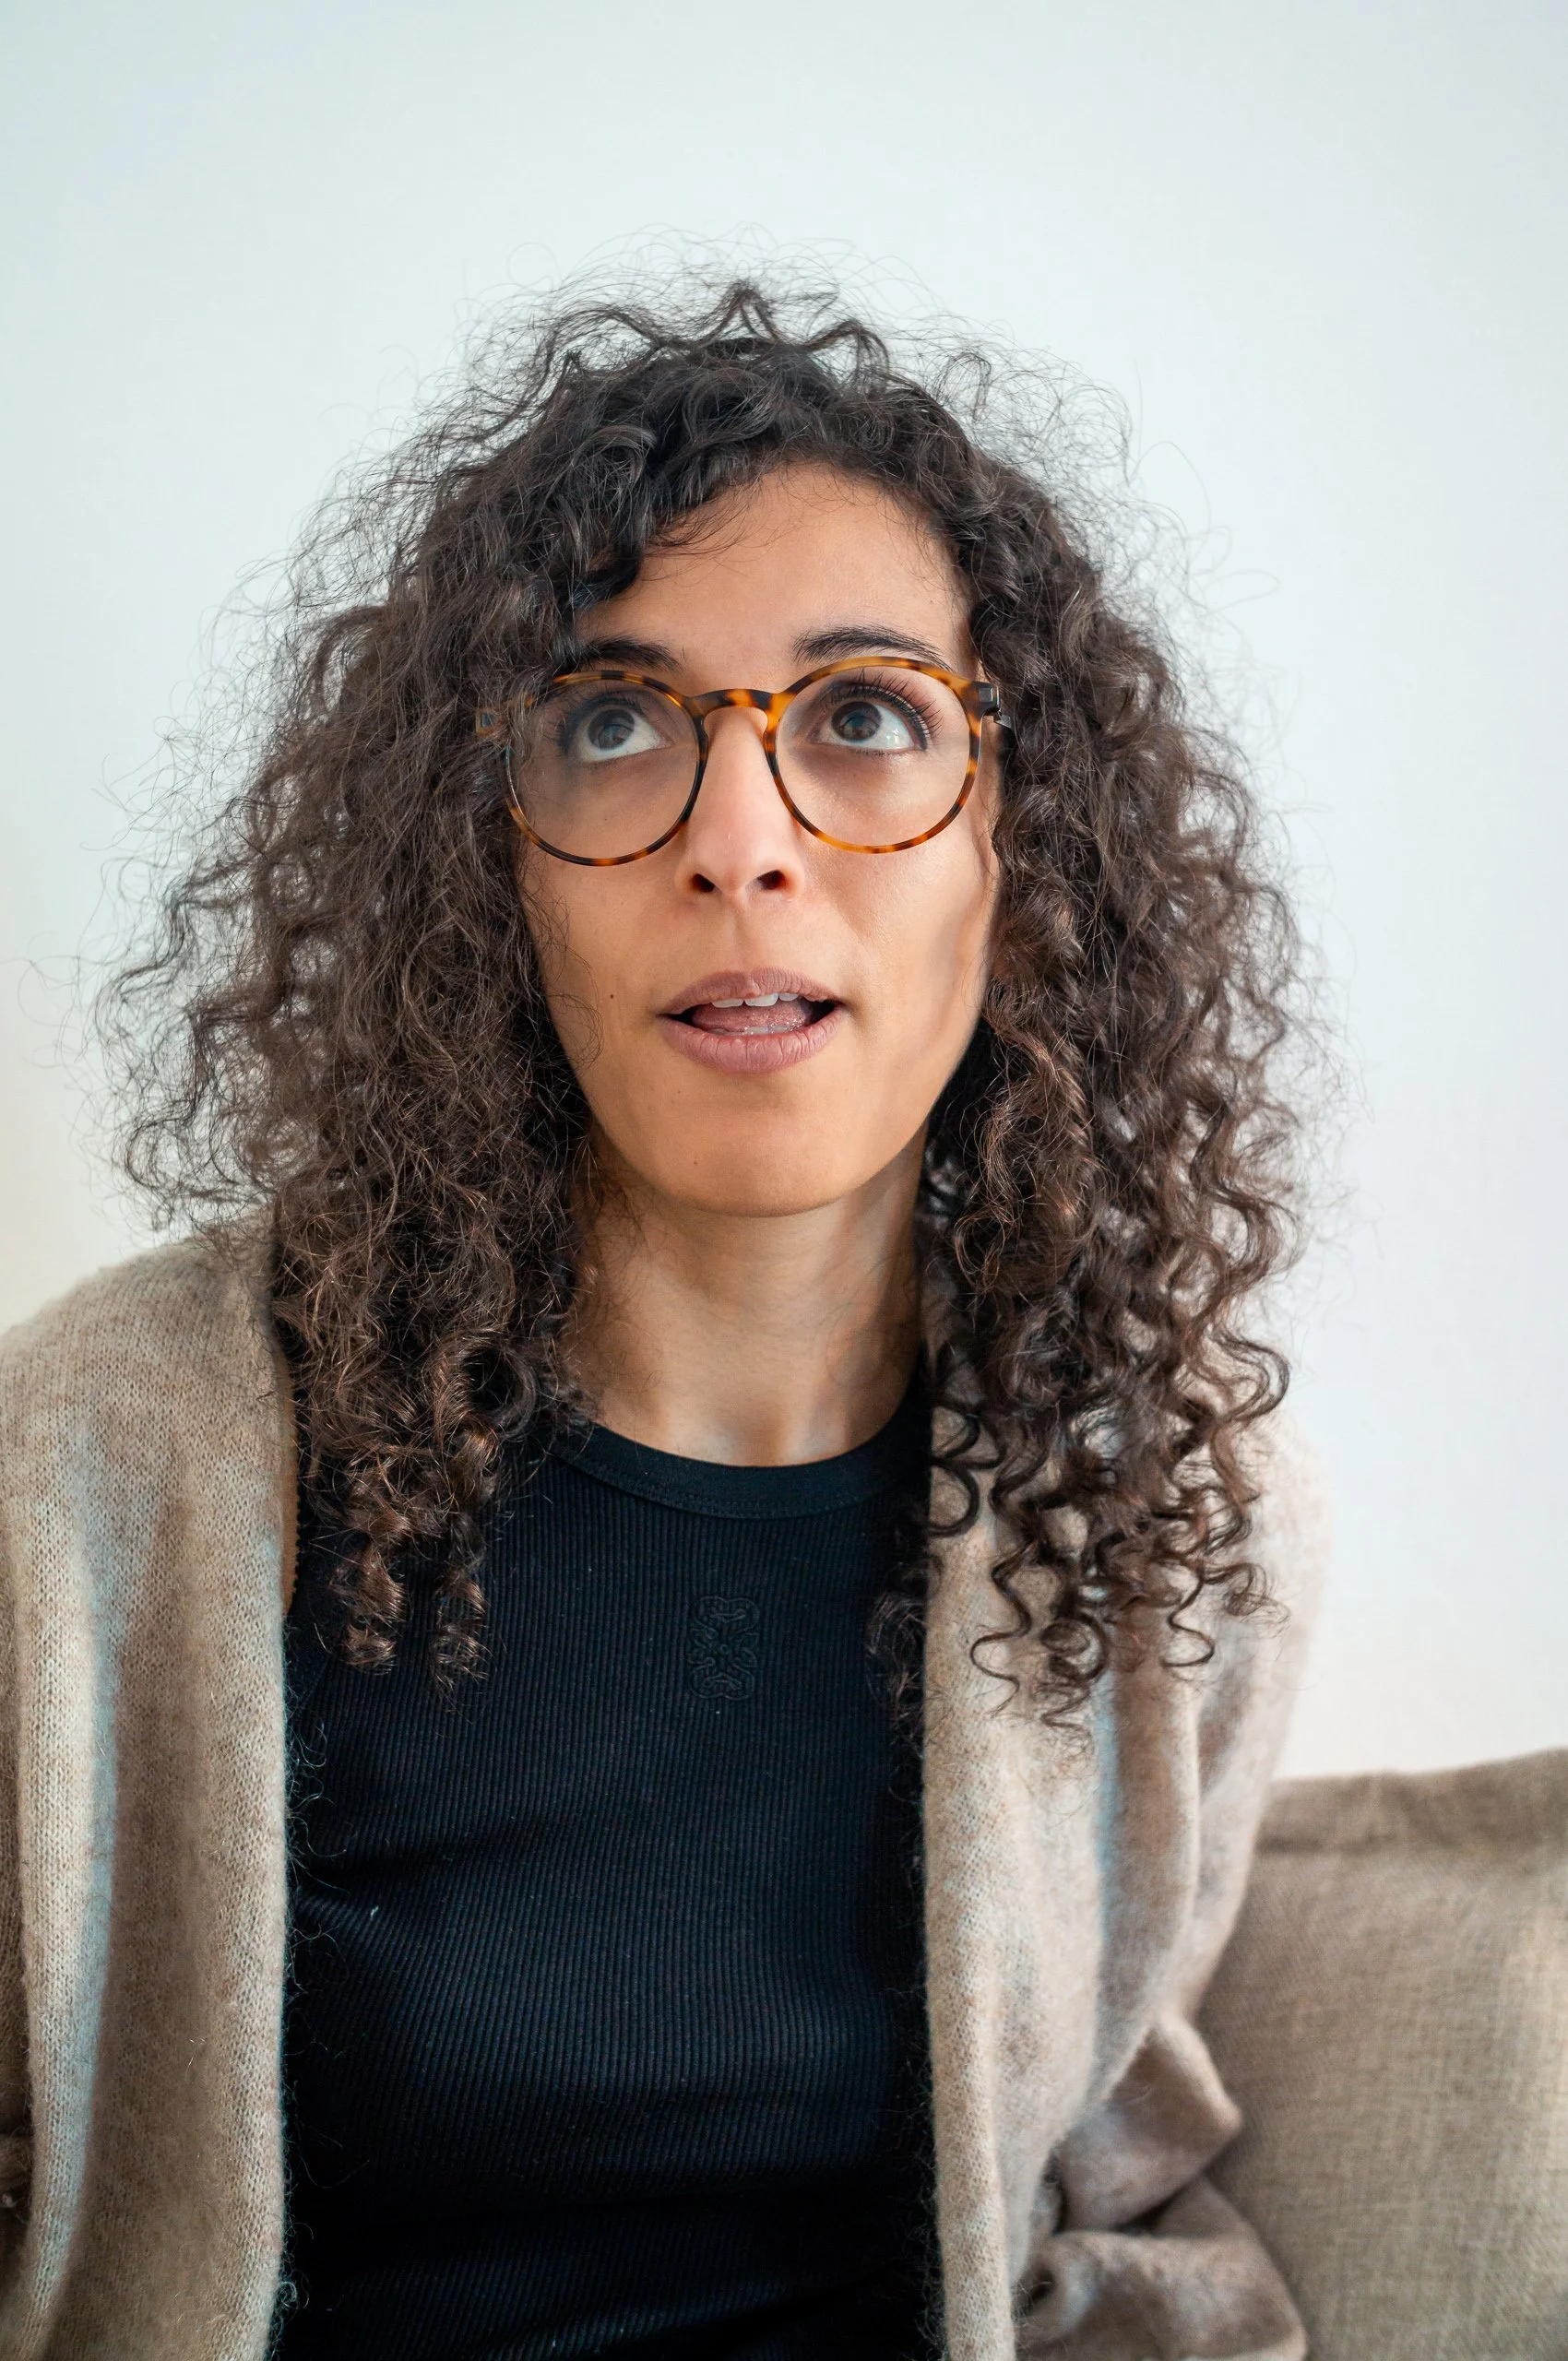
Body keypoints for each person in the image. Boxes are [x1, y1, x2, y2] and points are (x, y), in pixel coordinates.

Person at [0, 279, 1329, 2361]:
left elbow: (1107, 2180)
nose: (739, 845)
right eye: (611, 719)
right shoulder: (111, 1447)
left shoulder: (1162, 1509)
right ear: (484, 859)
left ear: (1021, 844)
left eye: (867, 716)